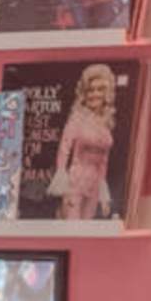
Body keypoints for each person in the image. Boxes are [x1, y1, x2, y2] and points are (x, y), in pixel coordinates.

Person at [47, 63, 125, 219]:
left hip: (94, 186)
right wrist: (63, 184)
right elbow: (64, 150)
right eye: (90, 90)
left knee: (87, 226)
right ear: (84, 93)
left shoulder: (106, 123)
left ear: (106, 93)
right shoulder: (77, 119)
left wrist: (104, 196)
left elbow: (103, 161)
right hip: (75, 182)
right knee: (72, 226)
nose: (94, 94)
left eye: (99, 90)